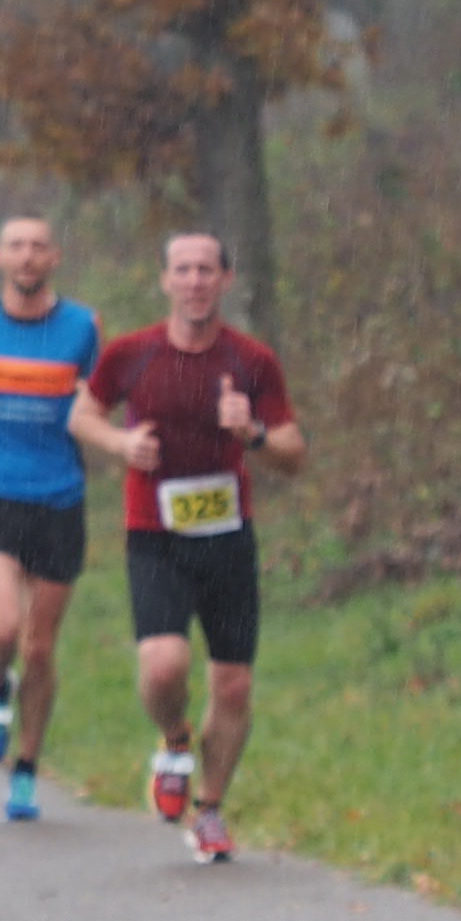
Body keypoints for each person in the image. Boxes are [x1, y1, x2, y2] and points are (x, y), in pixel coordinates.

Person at [70, 232, 303, 864]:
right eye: (183, 270)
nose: (195, 281)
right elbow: (82, 415)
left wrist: (253, 433)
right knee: (163, 665)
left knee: (233, 685)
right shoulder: (130, 353)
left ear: (226, 279)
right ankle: (174, 740)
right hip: (156, 535)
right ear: (165, 280)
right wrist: (121, 445)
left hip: (228, 538)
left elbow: (293, 454)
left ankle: (210, 809)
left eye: (206, 270)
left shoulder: (252, 361)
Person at [0, 215, 104, 823]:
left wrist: (106, 424)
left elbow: (101, 394)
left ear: (54, 257)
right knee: (3, 628)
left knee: (39, 647)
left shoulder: (82, 326)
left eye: (37, 247)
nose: (27, 256)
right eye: (16, 246)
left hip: (58, 497)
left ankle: (27, 770)